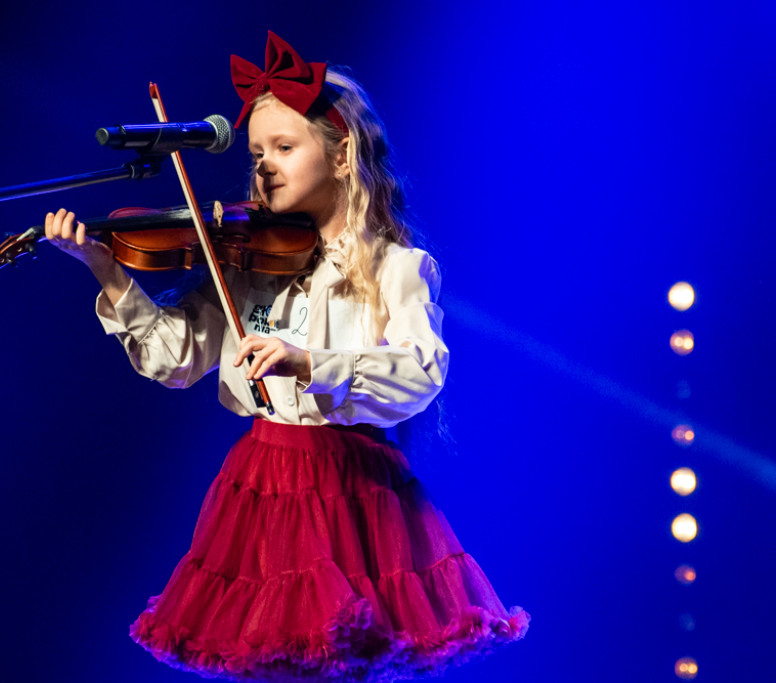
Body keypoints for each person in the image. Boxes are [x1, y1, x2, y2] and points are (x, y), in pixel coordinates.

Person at [45, 31, 528, 682]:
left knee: (343, 656)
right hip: (264, 486)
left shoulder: (398, 268)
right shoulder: (248, 263)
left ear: (342, 155)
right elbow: (174, 359)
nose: (264, 166)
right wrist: (108, 272)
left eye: (284, 147)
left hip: (352, 494)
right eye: (256, 153)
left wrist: (309, 362)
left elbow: (421, 373)